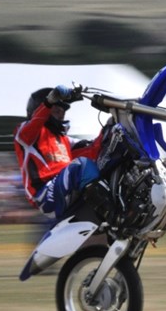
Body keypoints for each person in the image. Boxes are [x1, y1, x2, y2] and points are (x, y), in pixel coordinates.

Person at [14, 85, 105, 220]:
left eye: (63, 109)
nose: (62, 111)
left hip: (63, 187)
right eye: (57, 108)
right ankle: (108, 210)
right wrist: (49, 102)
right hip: (46, 195)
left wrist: (111, 125)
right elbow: (32, 126)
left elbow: (93, 150)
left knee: (102, 163)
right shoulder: (26, 133)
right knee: (81, 165)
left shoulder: (64, 139)